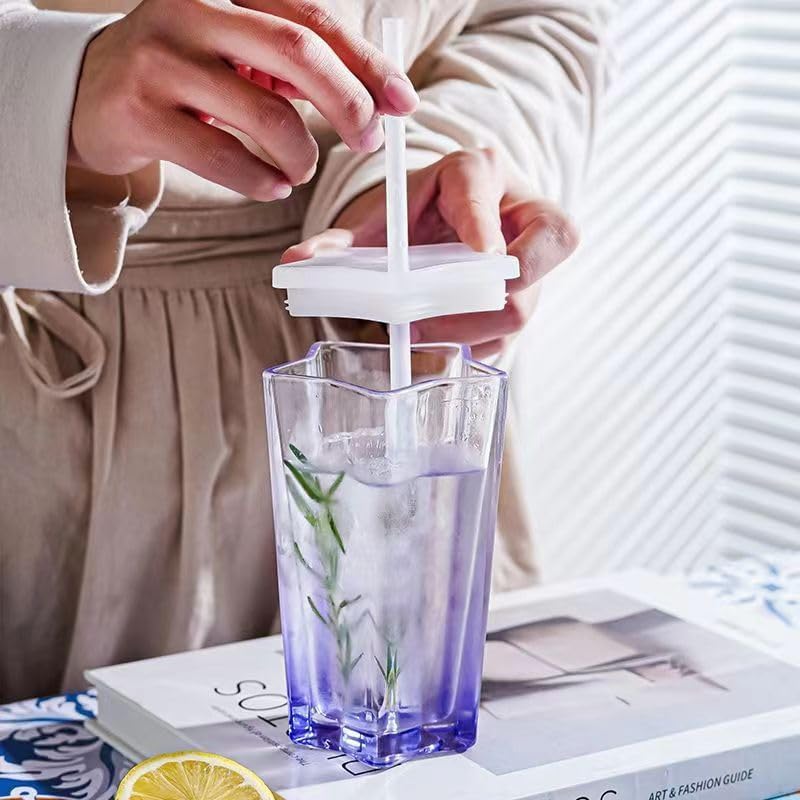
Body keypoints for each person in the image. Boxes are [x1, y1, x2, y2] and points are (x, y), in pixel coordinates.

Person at [0, 0, 611, 702]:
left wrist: (413, 174)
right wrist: (45, 90)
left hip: (394, 385)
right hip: (41, 415)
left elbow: (534, 18)